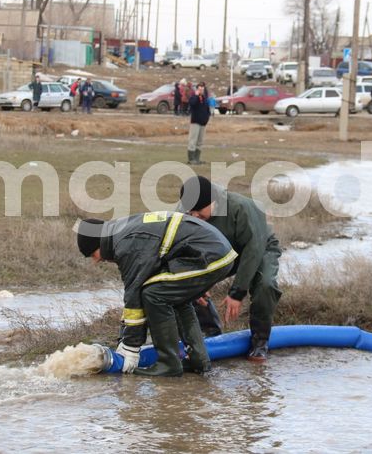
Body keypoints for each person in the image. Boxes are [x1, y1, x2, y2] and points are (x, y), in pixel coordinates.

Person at [76, 213, 237, 376]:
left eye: (92, 255)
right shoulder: (123, 234)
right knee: (173, 297)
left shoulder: (126, 244)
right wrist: (124, 340)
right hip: (214, 252)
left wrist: (130, 348)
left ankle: (169, 363)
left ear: (98, 243)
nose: (95, 261)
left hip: (209, 255)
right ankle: (200, 360)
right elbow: (133, 293)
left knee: (153, 295)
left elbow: (134, 294)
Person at [178, 176, 283, 362]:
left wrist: (237, 293)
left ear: (213, 202)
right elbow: (180, 246)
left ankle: (260, 342)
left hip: (258, 247)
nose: (194, 216)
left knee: (265, 285)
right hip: (221, 251)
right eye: (190, 212)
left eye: (199, 212)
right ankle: (211, 332)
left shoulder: (241, 207)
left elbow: (253, 249)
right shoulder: (186, 211)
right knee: (188, 282)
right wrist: (193, 281)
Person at [187, 83, 209, 165]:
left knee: (200, 141)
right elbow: (192, 104)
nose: (201, 91)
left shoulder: (204, 99)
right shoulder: (194, 97)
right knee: (193, 140)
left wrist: (207, 118)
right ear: (197, 89)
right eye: (200, 89)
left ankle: (197, 158)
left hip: (203, 123)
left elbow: (207, 110)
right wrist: (196, 96)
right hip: (195, 122)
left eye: (202, 89)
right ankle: (191, 158)